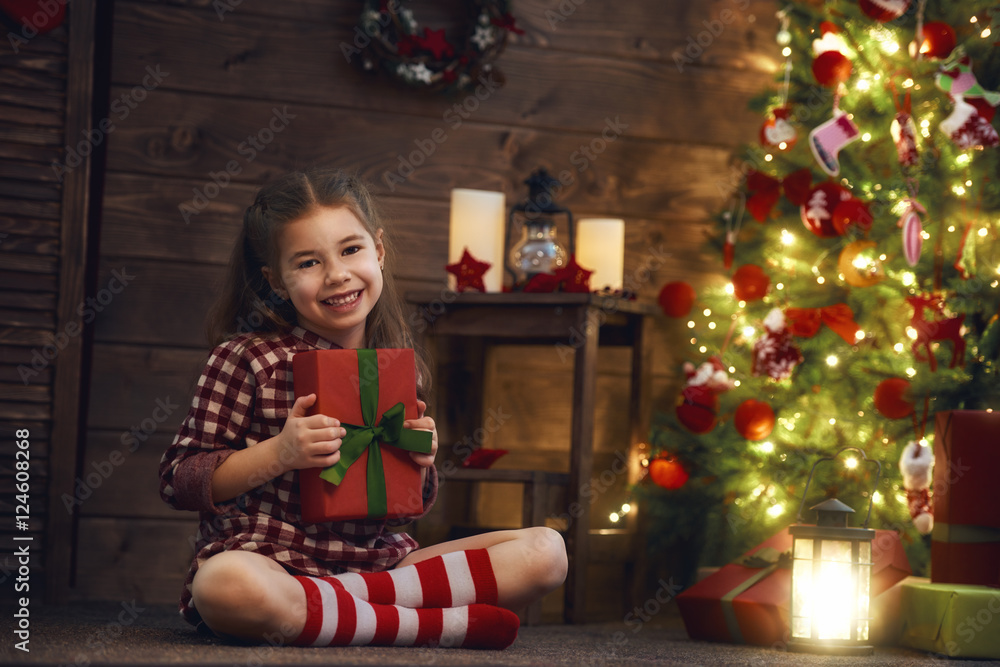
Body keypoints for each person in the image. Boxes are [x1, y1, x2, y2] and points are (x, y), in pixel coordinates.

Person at [159, 167, 567, 650]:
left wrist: (421, 458)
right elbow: (179, 480)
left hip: (382, 565)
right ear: (276, 281)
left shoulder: (395, 367)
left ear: (379, 249)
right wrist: (281, 453)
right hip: (272, 561)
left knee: (547, 552)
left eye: (350, 249)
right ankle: (432, 626)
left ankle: (339, 606)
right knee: (224, 587)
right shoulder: (245, 359)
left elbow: (400, 513)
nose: (337, 274)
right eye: (308, 262)